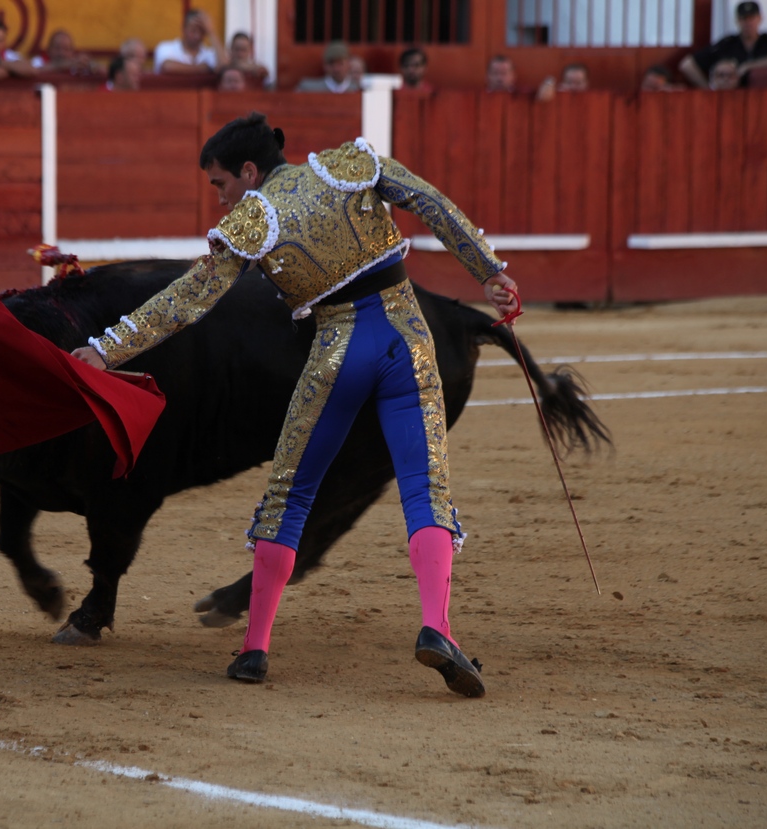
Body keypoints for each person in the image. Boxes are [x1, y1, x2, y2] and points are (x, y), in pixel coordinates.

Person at [69, 112, 518, 696]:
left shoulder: (255, 218)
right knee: (425, 488)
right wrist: (488, 272)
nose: (223, 199)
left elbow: (188, 299)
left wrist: (107, 348)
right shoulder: (349, 166)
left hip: (338, 353)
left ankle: (254, 649)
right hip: (408, 340)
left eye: (221, 185)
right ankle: (436, 626)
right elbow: (433, 204)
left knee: (291, 494)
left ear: (248, 172)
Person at [679, 1, 767, 89]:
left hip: (760, 97)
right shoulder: (728, 43)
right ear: (737, 21)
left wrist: (749, 66)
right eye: (744, 18)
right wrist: (707, 88)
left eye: (751, 18)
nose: (748, 23)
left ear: (759, 18)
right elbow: (687, 65)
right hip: (728, 98)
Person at [154, 9, 225, 73]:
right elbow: (167, 67)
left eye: (202, 31)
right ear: (184, 29)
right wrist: (202, 68)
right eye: (193, 30)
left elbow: (224, 68)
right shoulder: (166, 47)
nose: (197, 36)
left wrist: (211, 32)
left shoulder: (209, 53)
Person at [296, 41, 360, 92]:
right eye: (331, 64)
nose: (336, 69)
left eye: (340, 64)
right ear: (325, 66)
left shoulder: (357, 89)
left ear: (348, 64)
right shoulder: (308, 89)